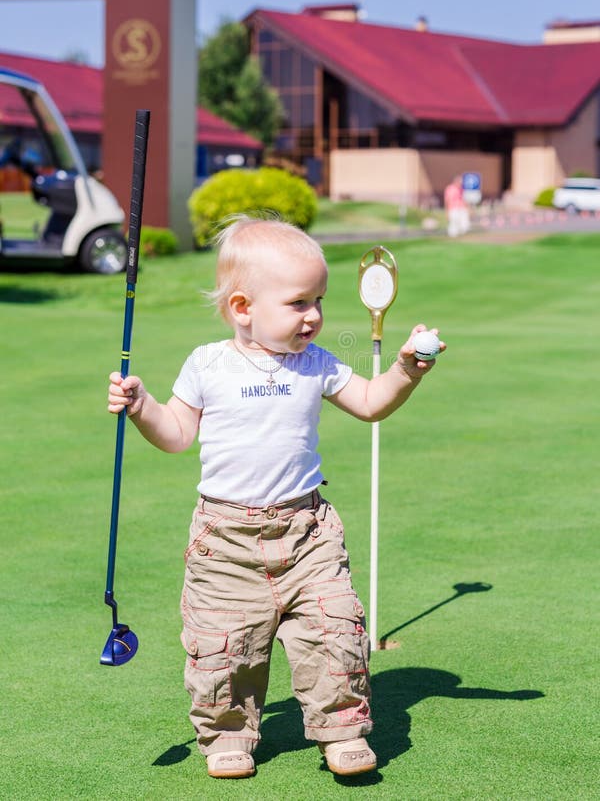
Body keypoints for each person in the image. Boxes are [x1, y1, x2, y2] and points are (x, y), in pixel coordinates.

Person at [107, 215, 445, 780]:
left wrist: (406, 369)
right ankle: (227, 734)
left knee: (332, 631)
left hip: (307, 531)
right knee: (225, 644)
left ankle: (341, 728)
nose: (314, 315)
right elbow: (176, 435)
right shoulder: (206, 364)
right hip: (226, 540)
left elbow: (369, 402)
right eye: (298, 303)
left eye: (319, 300)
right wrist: (141, 408)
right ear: (243, 308)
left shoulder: (316, 363)